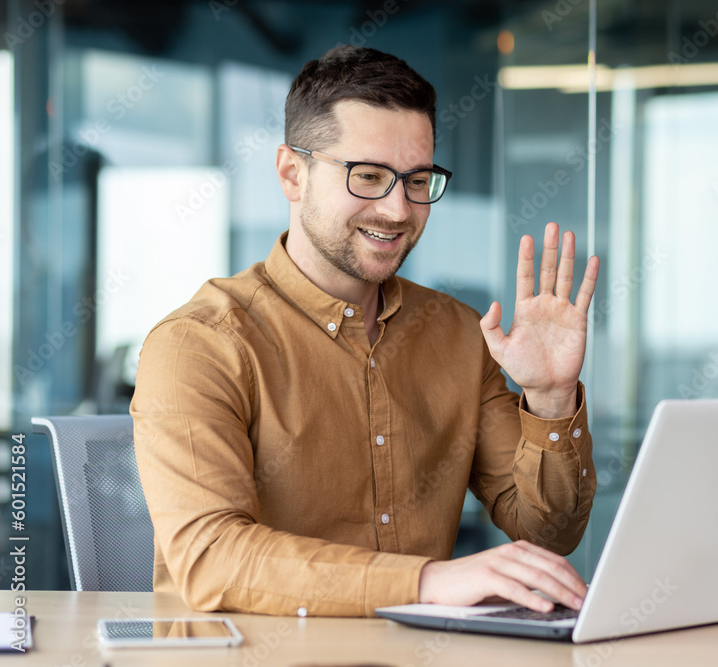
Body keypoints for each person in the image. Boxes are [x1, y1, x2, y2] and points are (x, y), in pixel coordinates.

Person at [131, 45, 600, 618]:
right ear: (291, 173)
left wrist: (551, 399)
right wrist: (425, 582)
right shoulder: (199, 343)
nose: (399, 210)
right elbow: (209, 558)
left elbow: (547, 532)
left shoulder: (456, 334)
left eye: (418, 180)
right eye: (369, 176)